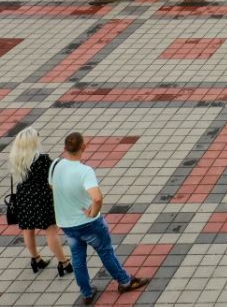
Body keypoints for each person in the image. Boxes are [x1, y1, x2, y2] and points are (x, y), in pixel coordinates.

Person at [49, 132, 150, 303]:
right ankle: (125, 282)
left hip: (67, 224)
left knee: (78, 259)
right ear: (84, 147)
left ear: (64, 148)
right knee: (105, 251)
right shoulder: (85, 171)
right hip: (88, 223)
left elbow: (53, 187)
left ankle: (87, 293)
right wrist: (94, 211)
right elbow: (96, 197)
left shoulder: (55, 166)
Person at [7, 127, 71, 276]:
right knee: (51, 231)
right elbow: (53, 178)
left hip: (24, 197)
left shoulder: (16, 158)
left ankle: (36, 259)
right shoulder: (42, 159)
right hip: (43, 198)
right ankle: (64, 262)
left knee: (28, 230)